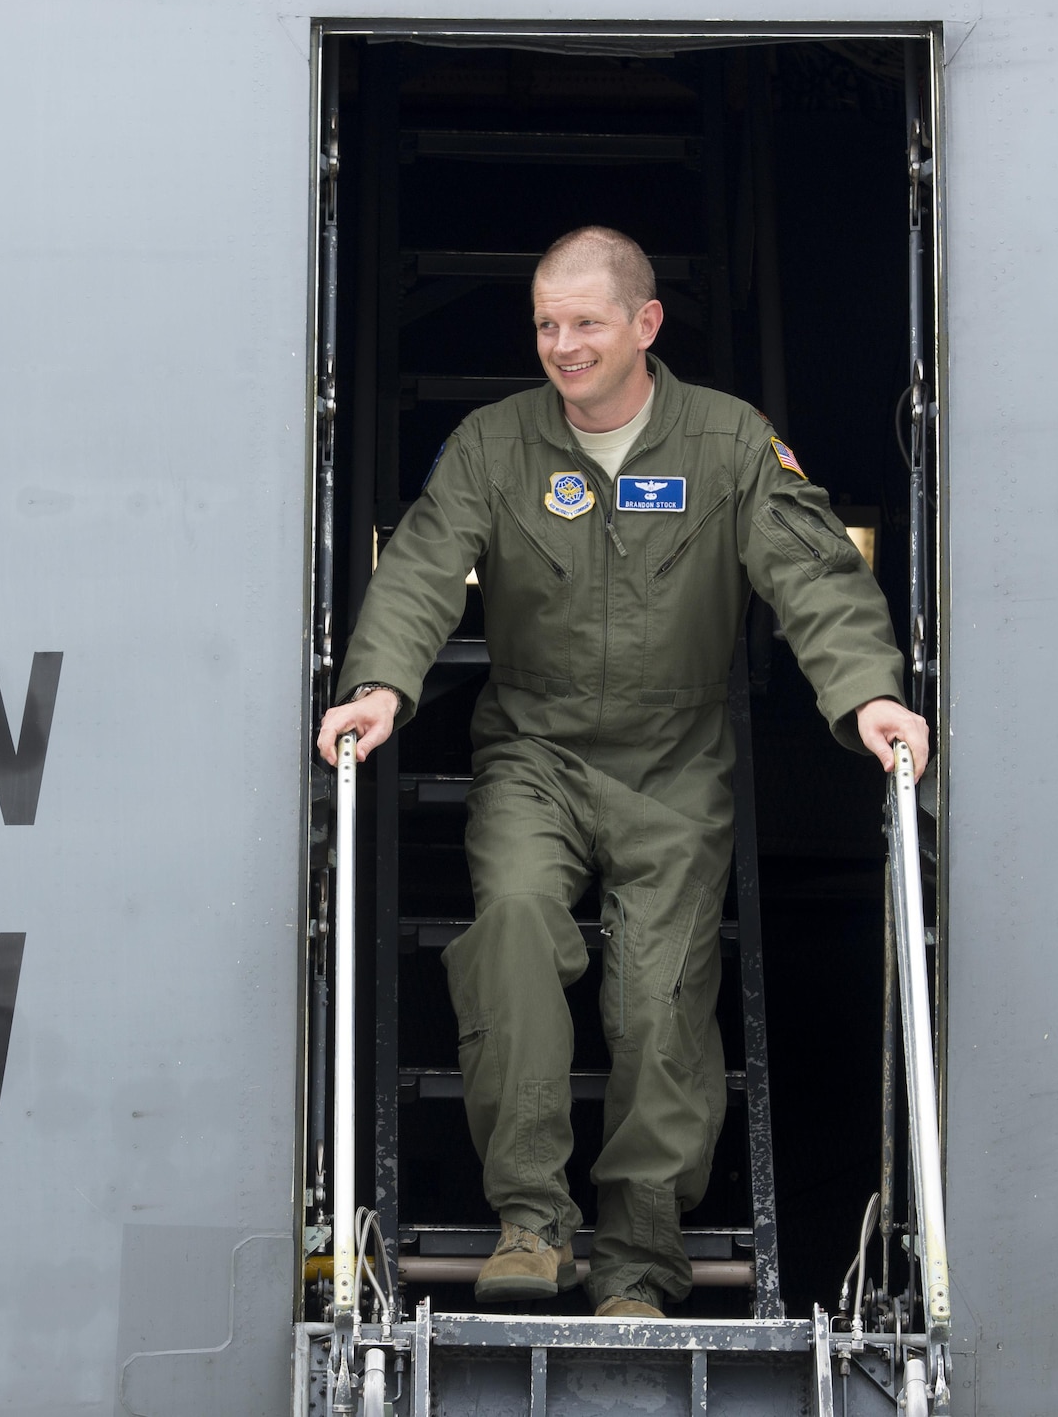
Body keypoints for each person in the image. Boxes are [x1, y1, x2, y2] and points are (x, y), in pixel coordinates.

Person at [316, 226, 928, 1319]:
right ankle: (529, 1221)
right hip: (532, 754)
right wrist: (381, 686)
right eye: (546, 324)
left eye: (584, 323)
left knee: (659, 999)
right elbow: (419, 567)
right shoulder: (492, 446)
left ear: (644, 324)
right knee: (506, 927)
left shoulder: (727, 443)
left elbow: (812, 577)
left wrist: (865, 694)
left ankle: (638, 1264)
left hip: (675, 763)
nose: (560, 345)